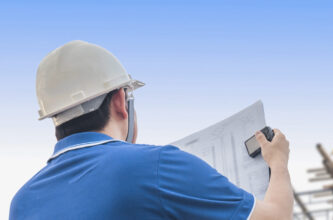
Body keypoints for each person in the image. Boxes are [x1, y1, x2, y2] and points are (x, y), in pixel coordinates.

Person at [10, 40, 293, 220]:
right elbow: (276, 217)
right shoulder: (157, 165)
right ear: (121, 100)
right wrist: (278, 164)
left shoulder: (21, 203)